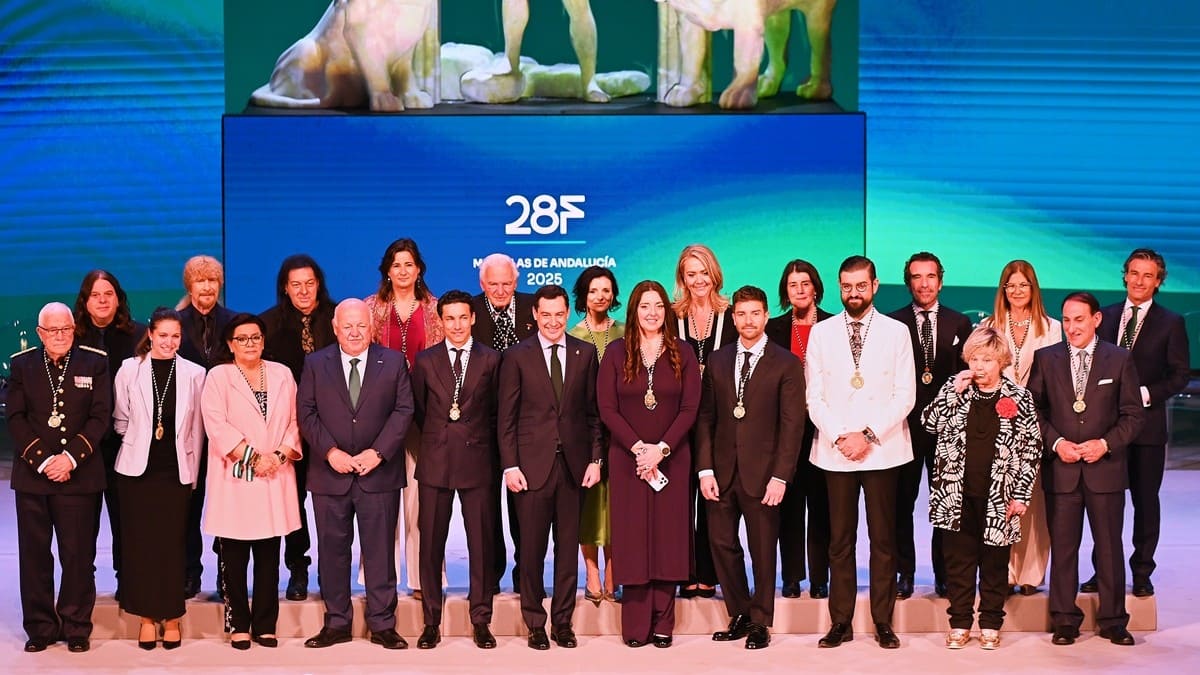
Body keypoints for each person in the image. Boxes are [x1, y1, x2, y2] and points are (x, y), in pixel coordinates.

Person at [806, 255, 915, 650]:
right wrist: (842, 437)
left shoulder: (897, 332)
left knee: (883, 540)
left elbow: (905, 395)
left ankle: (883, 621)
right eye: (847, 286)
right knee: (840, 541)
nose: (854, 293)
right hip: (836, 452)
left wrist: (867, 435)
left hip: (883, 450)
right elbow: (814, 397)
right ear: (839, 287)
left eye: (861, 286)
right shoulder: (821, 333)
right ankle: (841, 622)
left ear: (875, 286)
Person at [1028, 292, 1143, 647]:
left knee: (1109, 547)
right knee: (1064, 548)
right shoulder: (1046, 358)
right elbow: (1034, 411)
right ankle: (1064, 620)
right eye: (1066, 320)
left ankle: (1113, 620)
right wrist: (1057, 443)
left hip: (1104, 470)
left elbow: (1133, 415)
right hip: (1062, 471)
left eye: (1079, 319)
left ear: (1096, 319)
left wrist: (1105, 444)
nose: (1072, 327)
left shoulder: (1119, 359)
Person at [298, 299, 414, 650]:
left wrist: (377, 453)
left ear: (371, 327)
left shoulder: (392, 362)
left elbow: (403, 410)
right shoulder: (315, 363)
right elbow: (306, 412)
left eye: (361, 325)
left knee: (380, 552)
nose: (354, 332)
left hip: (378, 474)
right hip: (329, 474)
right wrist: (330, 452)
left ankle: (383, 624)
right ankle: (336, 623)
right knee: (332, 552)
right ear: (335, 328)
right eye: (347, 326)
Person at [696, 286, 805, 650]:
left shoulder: (786, 363)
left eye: (755, 313)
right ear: (734, 317)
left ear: (766, 316)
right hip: (721, 473)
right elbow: (706, 418)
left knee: (762, 550)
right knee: (721, 544)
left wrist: (781, 476)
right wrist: (705, 469)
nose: (748, 321)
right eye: (741, 314)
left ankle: (760, 621)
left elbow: (792, 426)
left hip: (764, 475)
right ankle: (740, 612)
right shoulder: (718, 360)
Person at [920, 326, 1042, 650]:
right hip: (955, 495)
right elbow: (928, 423)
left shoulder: (1019, 397)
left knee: (994, 564)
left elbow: (1031, 449)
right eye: (974, 359)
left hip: (999, 497)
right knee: (958, 563)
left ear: (1001, 361)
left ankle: (990, 623)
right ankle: (959, 623)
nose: (979, 366)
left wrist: (1021, 494)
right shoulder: (955, 388)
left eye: (987, 359)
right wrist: (951, 392)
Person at [498, 284, 603, 650]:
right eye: (546, 315)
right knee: (531, 551)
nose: (553, 321)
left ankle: (562, 622)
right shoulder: (516, 356)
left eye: (560, 314)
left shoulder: (585, 353)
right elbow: (506, 418)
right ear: (535, 315)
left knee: (567, 549)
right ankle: (534, 623)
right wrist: (510, 465)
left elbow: (593, 414)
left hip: (574, 468)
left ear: (568, 314)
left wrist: (596, 459)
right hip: (530, 469)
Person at [597, 280, 701, 648]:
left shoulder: (683, 352)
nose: (652, 313)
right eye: (645, 306)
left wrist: (662, 450)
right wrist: (640, 448)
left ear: (667, 312)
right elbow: (607, 408)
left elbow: (690, 408)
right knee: (633, 538)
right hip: (628, 460)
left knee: (668, 538)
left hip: (672, 459)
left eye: (658, 306)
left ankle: (662, 623)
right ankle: (636, 624)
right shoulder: (615, 352)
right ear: (634, 311)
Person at [6, 302, 111, 653]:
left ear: (74, 329)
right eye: (52, 330)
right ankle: (40, 627)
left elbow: (100, 416)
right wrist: (43, 460)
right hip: (33, 477)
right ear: (40, 333)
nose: (60, 335)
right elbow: (16, 417)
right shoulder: (22, 365)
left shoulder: (94, 362)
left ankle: (76, 626)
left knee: (78, 555)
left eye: (66, 328)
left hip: (79, 476)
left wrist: (69, 458)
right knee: (34, 556)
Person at [1084, 249, 1189, 598]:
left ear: (1158, 281)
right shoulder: (1105, 316)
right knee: (1105, 504)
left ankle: (1142, 572)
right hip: (1105, 429)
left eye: (1147, 275)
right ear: (1125, 275)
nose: (1139, 281)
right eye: (1134, 273)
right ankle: (1103, 571)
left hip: (1147, 430)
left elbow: (1179, 375)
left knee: (1145, 503)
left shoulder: (1171, 322)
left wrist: (1142, 394)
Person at [202, 313, 303, 650]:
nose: (250, 344)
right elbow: (216, 425)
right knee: (233, 557)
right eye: (242, 339)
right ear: (230, 344)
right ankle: (238, 625)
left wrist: (279, 455)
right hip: (235, 477)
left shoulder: (282, 373)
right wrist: (252, 457)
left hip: (274, 474)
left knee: (268, 556)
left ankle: (265, 624)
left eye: (256, 337)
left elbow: (296, 420)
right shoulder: (219, 376)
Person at [409, 290, 502, 650]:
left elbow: (496, 412)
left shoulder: (491, 359)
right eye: (450, 318)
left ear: (473, 318)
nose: (458, 325)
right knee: (431, 544)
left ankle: (481, 619)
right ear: (441, 321)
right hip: (436, 461)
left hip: (478, 461)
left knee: (481, 544)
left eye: (463, 317)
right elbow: (419, 410)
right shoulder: (425, 360)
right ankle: (431, 620)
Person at [112, 308, 206, 650]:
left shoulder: (195, 373)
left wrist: (193, 475)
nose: (169, 342)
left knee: (172, 545)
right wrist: (138, 441)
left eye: (175, 336)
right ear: (150, 334)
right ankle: (147, 618)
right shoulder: (129, 369)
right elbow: (120, 418)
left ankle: (173, 617)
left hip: (175, 471)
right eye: (163, 335)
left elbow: (197, 430)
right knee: (140, 546)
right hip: (136, 472)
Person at [888, 252, 973, 599]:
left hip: (947, 430)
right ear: (908, 282)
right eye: (917, 277)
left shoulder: (959, 323)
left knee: (945, 504)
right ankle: (904, 572)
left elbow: (966, 376)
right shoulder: (893, 324)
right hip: (904, 428)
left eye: (930, 276)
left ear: (941, 280)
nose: (924, 284)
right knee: (901, 504)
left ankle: (944, 573)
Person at [364, 238, 445, 601]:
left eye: (408, 264)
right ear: (387, 270)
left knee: (420, 501)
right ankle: (378, 579)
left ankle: (422, 578)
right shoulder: (370, 308)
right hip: (380, 415)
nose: (402, 271)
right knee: (380, 502)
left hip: (424, 415)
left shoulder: (435, 309)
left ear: (419, 269)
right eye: (395, 265)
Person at [980, 259, 1061, 595]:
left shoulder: (1052, 328)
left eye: (1023, 285)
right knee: (1000, 497)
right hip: (997, 424)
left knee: (1033, 498)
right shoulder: (988, 326)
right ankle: (1005, 571)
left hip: (1036, 423)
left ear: (1033, 288)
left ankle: (1030, 573)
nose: (1016, 291)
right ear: (1003, 289)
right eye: (1010, 285)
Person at [260, 254, 337, 602]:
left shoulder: (338, 318)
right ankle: (298, 568)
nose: (303, 291)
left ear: (318, 284)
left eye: (309, 283)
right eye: (296, 285)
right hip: (286, 431)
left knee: (331, 504)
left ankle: (331, 572)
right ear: (285, 288)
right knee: (293, 503)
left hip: (332, 431)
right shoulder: (268, 325)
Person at [72, 269, 145, 597]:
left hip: (126, 443)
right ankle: (81, 586)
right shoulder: (72, 338)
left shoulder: (139, 336)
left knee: (126, 519)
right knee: (81, 523)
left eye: (108, 294)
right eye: (95, 295)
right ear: (85, 302)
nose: (102, 300)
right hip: (84, 446)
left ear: (118, 298)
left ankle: (127, 581)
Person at [765, 259, 833, 599]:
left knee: (822, 506)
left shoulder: (835, 326)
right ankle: (791, 577)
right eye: (793, 285)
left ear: (816, 287)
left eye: (805, 283)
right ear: (785, 291)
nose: (800, 290)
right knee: (788, 507)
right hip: (785, 431)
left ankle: (820, 577)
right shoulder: (773, 329)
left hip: (824, 429)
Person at [673, 243, 736, 598]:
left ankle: (709, 571)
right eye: (691, 274)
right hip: (679, 421)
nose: (699, 280)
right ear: (682, 279)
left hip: (720, 421)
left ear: (715, 274)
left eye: (704, 273)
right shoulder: (671, 317)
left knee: (713, 500)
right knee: (681, 500)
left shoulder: (732, 314)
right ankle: (684, 571)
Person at [471, 253, 536, 594]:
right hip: (480, 424)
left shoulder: (533, 309)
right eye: (493, 284)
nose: (500, 290)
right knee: (484, 506)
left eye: (506, 283)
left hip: (525, 424)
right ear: (482, 284)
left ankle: (526, 573)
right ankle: (490, 574)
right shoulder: (469, 312)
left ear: (516, 282)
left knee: (522, 503)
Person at [177, 254, 238, 598]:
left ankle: (225, 574)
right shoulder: (175, 323)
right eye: (200, 280)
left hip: (226, 428)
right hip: (186, 429)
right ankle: (190, 572)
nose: (207, 287)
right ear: (190, 285)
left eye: (212, 280)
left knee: (225, 504)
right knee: (188, 506)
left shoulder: (233, 322)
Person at [568, 266, 624, 604]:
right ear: (583, 296)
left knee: (617, 503)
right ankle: (590, 570)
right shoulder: (572, 335)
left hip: (620, 430)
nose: (600, 296)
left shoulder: (625, 332)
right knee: (587, 503)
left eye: (606, 290)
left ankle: (614, 569)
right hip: (585, 429)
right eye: (593, 291)